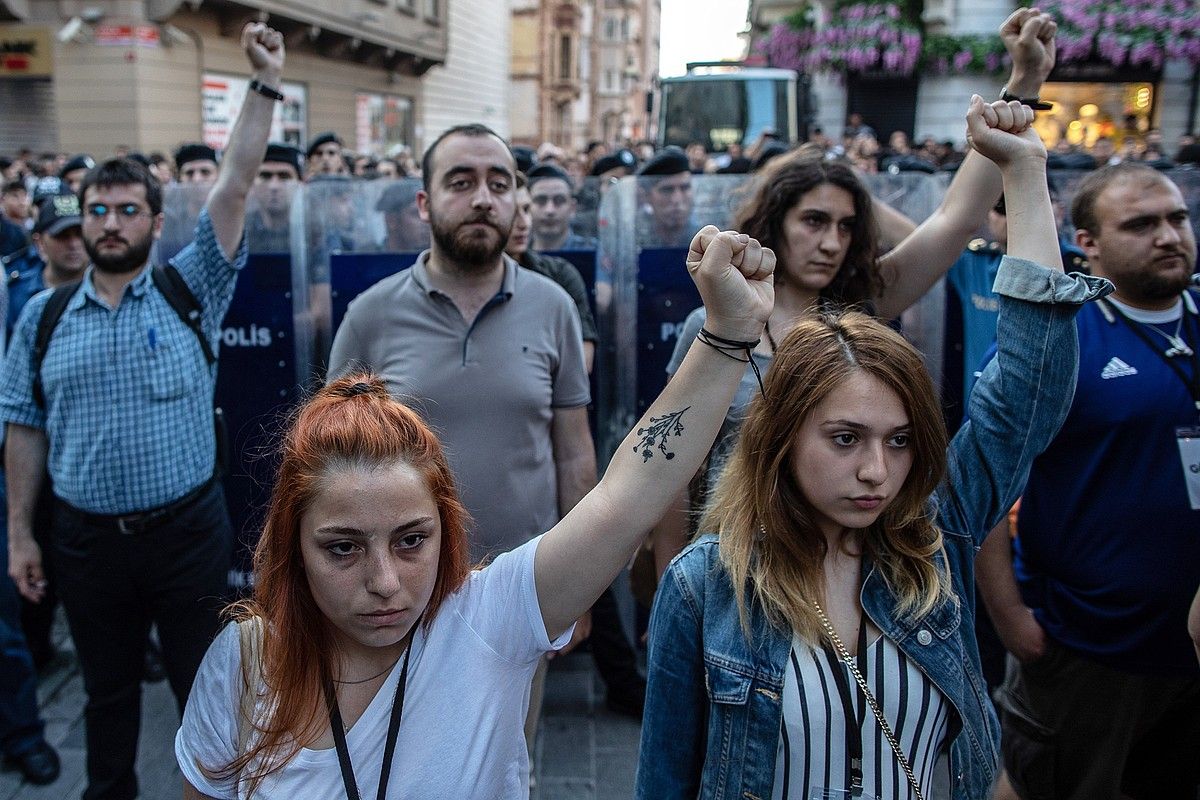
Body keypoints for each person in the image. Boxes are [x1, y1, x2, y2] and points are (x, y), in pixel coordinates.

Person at [176, 213, 777, 800]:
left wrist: (727, 333)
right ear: (293, 543)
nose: (385, 583)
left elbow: (626, 497)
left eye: (412, 540)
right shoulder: (244, 664)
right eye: (343, 547)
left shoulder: (491, 619)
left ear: (447, 527)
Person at [635, 94, 1111, 800]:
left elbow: (1026, 393)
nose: (875, 471)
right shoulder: (706, 588)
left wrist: (1025, 169)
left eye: (900, 440)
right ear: (779, 437)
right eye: (845, 437)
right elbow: (665, 780)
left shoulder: (936, 537)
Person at [651, 7, 1062, 576]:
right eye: (814, 221)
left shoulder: (861, 314)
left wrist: (1023, 82)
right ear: (775, 224)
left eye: (846, 227)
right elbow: (674, 466)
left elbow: (955, 218)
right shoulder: (720, 327)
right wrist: (671, 586)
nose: (831, 242)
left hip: (850, 573)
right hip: (733, 573)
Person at [1, 24, 284, 800]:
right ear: (82, 220)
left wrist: (262, 83)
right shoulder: (44, 317)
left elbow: (231, 184)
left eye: (129, 210)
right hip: (86, 546)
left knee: (209, 691)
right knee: (107, 695)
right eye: (98, 210)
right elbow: (22, 425)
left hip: (188, 538)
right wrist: (22, 534)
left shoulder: (194, 288)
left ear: (157, 225)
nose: (111, 223)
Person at [976, 161, 1200, 800]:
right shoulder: (1057, 342)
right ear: (1087, 243)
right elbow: (986, 483)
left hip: (1189, 653)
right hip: (1086, 645)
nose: (1168, 236)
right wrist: (1012, 617)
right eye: (1141, 224)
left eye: (1178, 218)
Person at [506, 172, 598, 372]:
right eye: (511, 213)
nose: (523, 223)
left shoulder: (560, 274)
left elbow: (582, 362)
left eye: (526, 209)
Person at [246, 143, 303, 253]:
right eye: (265, 176)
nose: (274, 186)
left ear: (300, 183)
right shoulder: (239, 232)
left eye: (284, 176)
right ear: (252, 184)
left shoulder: (313, 233)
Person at [527, 164, 595, 251]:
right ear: (528, 207)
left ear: (572, 208)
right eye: (540, 200)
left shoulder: (593, 252)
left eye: (559, 200)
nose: (550, 210)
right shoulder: (515, 255)